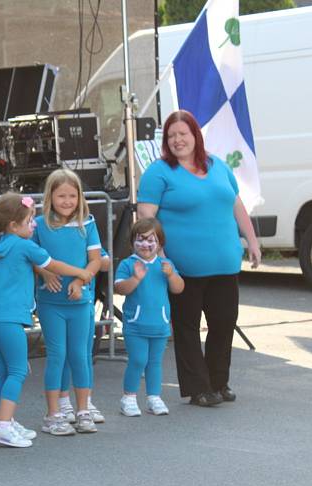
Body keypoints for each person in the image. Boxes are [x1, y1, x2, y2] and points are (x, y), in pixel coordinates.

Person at [137, 110, 261, 407]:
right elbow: (145, 215)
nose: (178, 140)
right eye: (171, 136)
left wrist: (252, 241)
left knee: (224, 323)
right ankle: (198, 388)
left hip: (225, 263)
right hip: (183, 268)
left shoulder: (217, 166)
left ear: (195, 135)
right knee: (187, 328)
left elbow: (236, 204)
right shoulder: (159, 172)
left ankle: (219, 381)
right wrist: (159, 256)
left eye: (183, 133)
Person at [0, 192, 94, 448]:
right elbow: (53, 264)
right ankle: (2, 425)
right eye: (30, 220)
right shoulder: (23, 245)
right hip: (10, 319)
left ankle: (7, 421)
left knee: (5, 371)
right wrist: (81, 272)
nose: (34, 224)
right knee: (19, 370)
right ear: (13, 225)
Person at [32, 169, 102, 435]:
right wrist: (46, 272)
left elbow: (95, 260)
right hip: (51, 303)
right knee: (57, 355)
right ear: (50, 196)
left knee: (79, 356)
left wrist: (80, 281)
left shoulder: (88, 223)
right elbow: (33, 258)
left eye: (72, 195)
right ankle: (54, 414)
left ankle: (83, 410)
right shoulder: (39, 225)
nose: (67, 201)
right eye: (61, 195)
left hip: (80, 301)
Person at [114, 218, 184, 416]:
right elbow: (119, 288)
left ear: (159, 243)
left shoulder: (166, 264)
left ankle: (154, 396)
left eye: (150, 240)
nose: (145, 244)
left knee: (155, 362)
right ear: (132, 243)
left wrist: (172, 275)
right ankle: (128, 397)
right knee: (137, 360)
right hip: (135, 325)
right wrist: (135, 278)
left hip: (160, 325)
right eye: (140, 239)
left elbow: (179, 288)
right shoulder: (128, 264)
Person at [57, 248, 111, 423]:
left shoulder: (87, 236)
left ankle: (86, 401)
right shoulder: (51, 233)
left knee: (84, 355)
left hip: (84, 303)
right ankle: (63, 401)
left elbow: (106, 262)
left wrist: (89, 265)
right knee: (63, 354)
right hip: (58, 303)